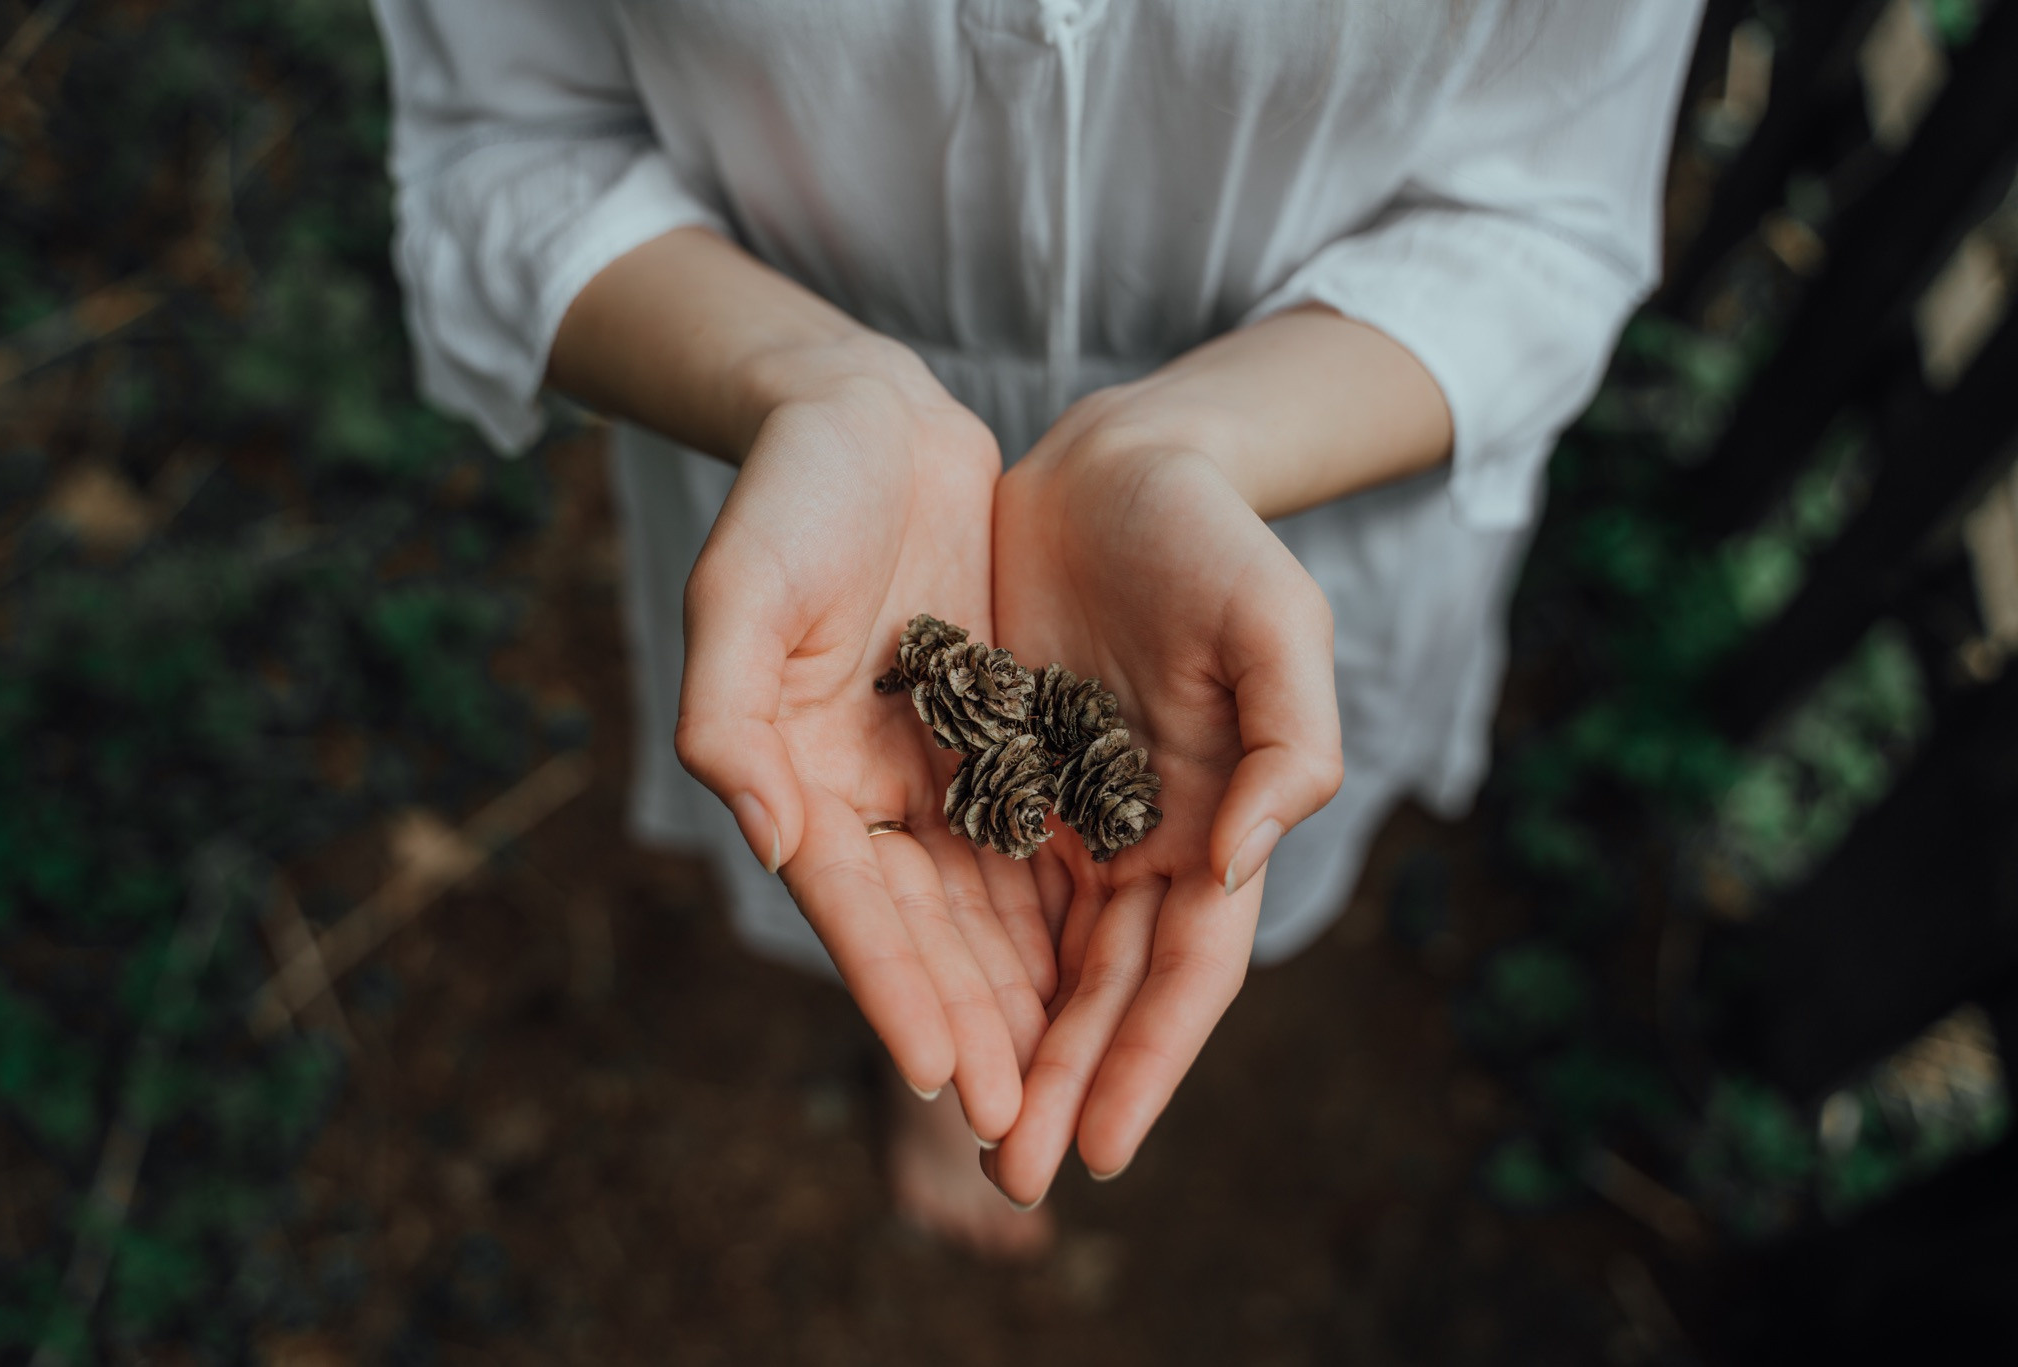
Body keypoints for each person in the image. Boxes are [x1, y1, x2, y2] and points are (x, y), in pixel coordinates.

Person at [369, 0, 1700, 1257]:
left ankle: (1003, 1059)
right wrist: (812, 384)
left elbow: (1553, 222)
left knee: (1217, 852)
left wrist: (1190, 441)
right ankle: (954, 1072)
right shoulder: (925, 689)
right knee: (871, 852)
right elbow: (508, 141)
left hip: (1299, 469)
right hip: (807, 485)